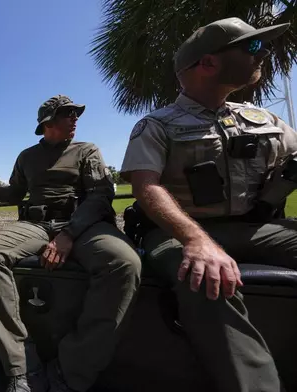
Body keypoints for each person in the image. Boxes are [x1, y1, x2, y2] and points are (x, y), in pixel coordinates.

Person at [120, 17, 297, 392]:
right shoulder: (157, 125)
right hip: (178, 233)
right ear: (208, 63)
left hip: (254, 227)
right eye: (250, 47)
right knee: (204, 278)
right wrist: (196, 241)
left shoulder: (264, 120)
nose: (262, 53)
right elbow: (146, 187)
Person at [0, 95, 142, 392]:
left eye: (76, 113)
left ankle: (71, 369)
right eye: (68, 114)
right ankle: (20, 365)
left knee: (124, 262)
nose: (75, 118)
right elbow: (15, 193)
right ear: (47, 122)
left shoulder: (86, 150)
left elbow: (100, 196)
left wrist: (69, 235)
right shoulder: (27, 157)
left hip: (83, 225)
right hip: (36, 225)